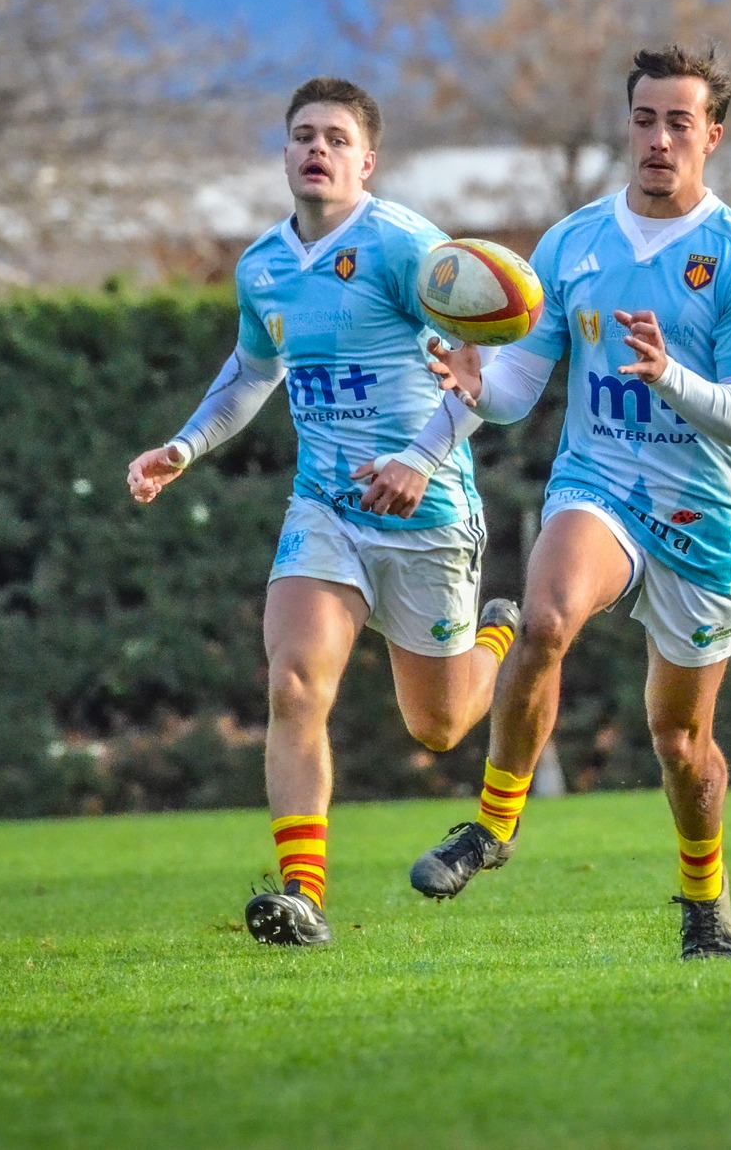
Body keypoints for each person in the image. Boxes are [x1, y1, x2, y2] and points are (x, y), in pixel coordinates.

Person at [409, 44, 731, 960]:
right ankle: (493, 829)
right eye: (644, 119)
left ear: (713, 137)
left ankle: (705, 897)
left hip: (701, 512)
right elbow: (516, 392)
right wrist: (467, 385)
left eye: (679, 123)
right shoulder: (571, 245)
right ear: (629, 126)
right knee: (544, 619)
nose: (658, 139)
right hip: (601, 484)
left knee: (681, 744)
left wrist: (671, 377)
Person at [126, 77, 517, 947]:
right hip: (326, 510)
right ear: (286, 153)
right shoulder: (263, 265)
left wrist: (418, 462)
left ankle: (499, 638)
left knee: (440, 726)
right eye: (303, 134)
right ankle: (303, 897)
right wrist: (183, 446)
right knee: (293, 683)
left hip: (428, 514)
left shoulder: (408, 249)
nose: (317, 149)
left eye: (337, 137)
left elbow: (478, 380)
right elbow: (251, 373)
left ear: (367, 161)